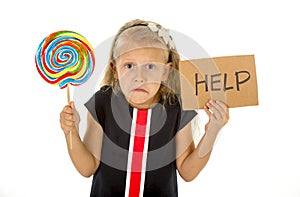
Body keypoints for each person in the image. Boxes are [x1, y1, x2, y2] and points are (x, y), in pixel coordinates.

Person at [60, 19, 229, 197]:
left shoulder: (177, 108)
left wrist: (213, 130)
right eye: (129, 66)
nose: (139, 77)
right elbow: (87, 168)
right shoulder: (102, 103)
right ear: (115, 69)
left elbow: (188, 172)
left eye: (150, 66)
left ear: (166, 71)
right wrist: (70, 131)